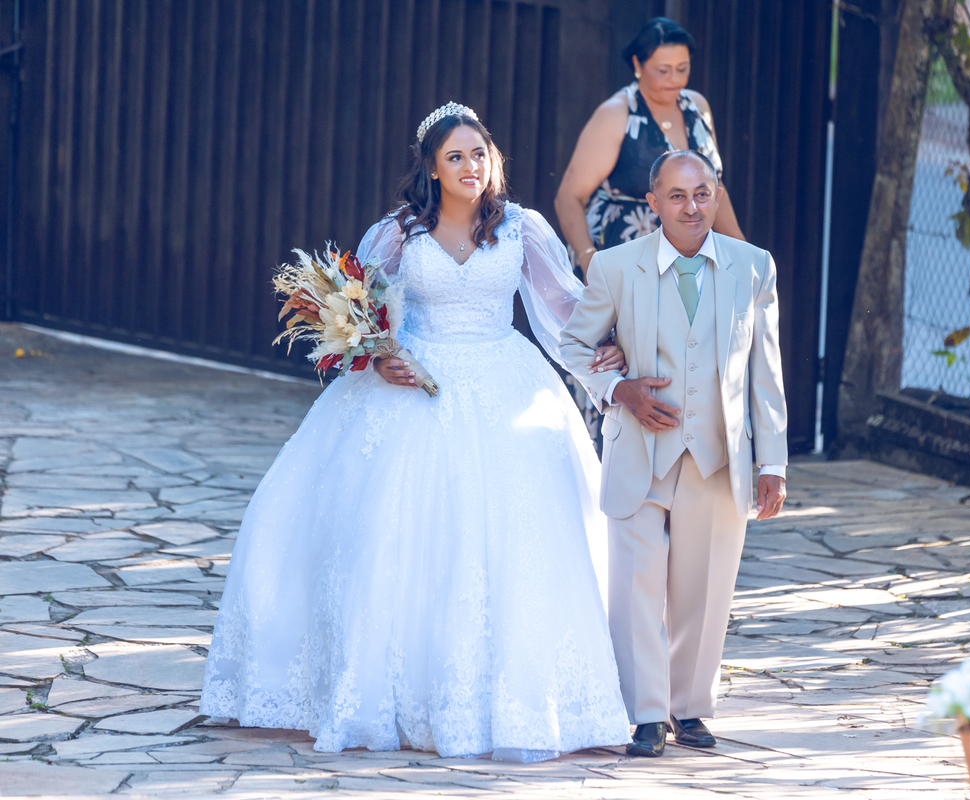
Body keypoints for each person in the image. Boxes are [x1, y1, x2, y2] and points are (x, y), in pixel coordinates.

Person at [199, 102, 632, 761]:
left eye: (479, 154)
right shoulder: (398, 234)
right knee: (388, 537)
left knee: (514, 537)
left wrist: (613, 355)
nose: (470, 166)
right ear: (432, 167)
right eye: (455, 157)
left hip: (505, 381)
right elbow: (361, 316)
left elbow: (566, 309)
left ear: (493, 161)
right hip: (411, 386)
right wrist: (379, 357)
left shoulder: (522, 228)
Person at [559, 150, 789, 757]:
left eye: (702, 193)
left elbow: (766, 372)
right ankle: (645, 715)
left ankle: (688, 709)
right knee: (636, 587)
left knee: (704, 589)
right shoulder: (615, 267)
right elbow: (574, 344)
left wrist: (772, 464)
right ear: (653, 202)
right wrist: (619, 388)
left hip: (717, 458)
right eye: (677, 195)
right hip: (640, 452)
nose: (692, 207)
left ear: (717, 196)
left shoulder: (753, 266)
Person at [554, 17, 745, 282]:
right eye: (663, 70)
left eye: (682, 69)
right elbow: (568, 198)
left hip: (686, 257)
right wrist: (590, 261)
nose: (674, 79)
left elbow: (714, 186)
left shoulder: (697, 107)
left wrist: (742, 251)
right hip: (621, 258)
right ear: (637, 64)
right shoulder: (616, 114)